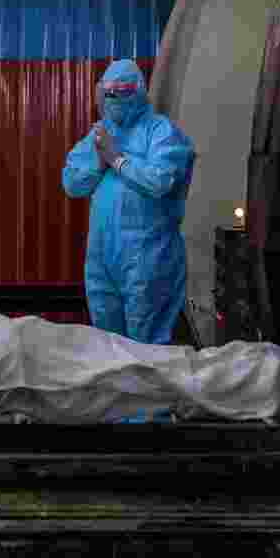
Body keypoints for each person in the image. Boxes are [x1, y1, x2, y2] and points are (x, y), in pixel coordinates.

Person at [62, 59, 195, 345]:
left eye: (120, 92)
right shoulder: (100, 135)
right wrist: (99, 161)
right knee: (109, 348)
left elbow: (160, 181)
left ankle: (150, 391)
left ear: (138, 92)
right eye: (107, 93)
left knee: (147, 349)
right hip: (102, 257)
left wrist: (117, 160)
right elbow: (72, 184)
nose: (113, 100)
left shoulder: (161, 133)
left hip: (148, 257)